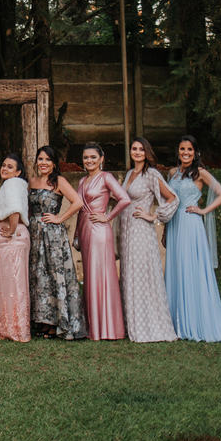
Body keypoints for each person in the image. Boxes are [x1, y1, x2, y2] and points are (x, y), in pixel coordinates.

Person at [165, 136, 221, 344]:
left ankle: (194, 321)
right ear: (178, 151)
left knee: (189, 269)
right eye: (182, 149)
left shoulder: (200, 173)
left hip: (190, 225)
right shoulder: (172, 173)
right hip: (174, 225)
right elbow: (169, 200)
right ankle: (174, 322)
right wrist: (165, 229)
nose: (185, 153)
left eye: (189, 149)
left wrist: (203, 210)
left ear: (195, 152)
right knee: (176, 269)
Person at [120, 137, 179, 343]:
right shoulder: (130, 173)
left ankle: (148, 324)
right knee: (128, 274)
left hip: (140, 230)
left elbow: (172, 198)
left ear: (147, 153)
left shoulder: (151, 174)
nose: (137, 152)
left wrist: (154, 216)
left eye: (141, 149)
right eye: (134, 148)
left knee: (141, 275)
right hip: (126, 229)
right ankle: (131, 323)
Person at [27, 146, 88, 340]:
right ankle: (42, 320)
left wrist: (59, 218)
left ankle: (57, 322)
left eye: (47, 160)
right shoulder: (32, 181)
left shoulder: (59, 181)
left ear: (54, 164)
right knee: (38, 277)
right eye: (40, 159)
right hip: (34, 234)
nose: (43, 163)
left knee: (54, 275)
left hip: (53, 236)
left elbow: (78, 202)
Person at [76, 142, 131, 340]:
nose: (89, 160)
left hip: (100, 231)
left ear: (101, 159)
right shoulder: (82, 180)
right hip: (84, 230)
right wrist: (76, 235)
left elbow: (124, 199)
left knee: (101, 275)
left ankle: (108, 327)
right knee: (89, 275)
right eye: (86, 157)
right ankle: (93, 325)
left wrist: (108, 217)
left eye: (93, 157)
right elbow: (79, 209)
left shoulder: (106, 177)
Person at [0, 152, 31, 342]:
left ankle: (13, 329)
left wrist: (11, 229)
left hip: (11, 240)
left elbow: (14, 208)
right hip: (11, 240)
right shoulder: (15, 184)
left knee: (12, 284)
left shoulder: (12, 184)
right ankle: (10, 326)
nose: (4, 168)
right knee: (11, 283)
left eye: (10, 167)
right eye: (3, 165)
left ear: (18, 172)